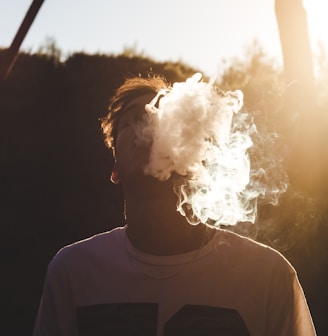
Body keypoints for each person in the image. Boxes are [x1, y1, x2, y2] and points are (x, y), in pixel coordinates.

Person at [33, 74, 316, 336]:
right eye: (131, 120)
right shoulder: (74, 272)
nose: (147, 127)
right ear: (115, 169)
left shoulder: (268, 276)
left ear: (196, 157)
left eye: (161, 117)